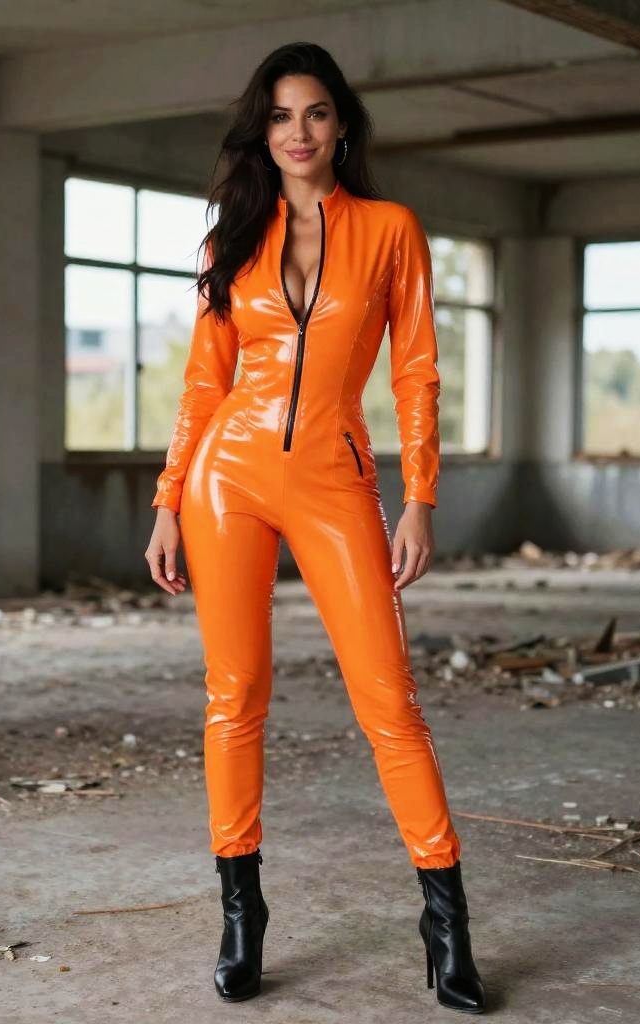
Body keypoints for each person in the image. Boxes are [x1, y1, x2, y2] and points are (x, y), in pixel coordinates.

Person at [144, 41, 485, 1015]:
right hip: (227, 480)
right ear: (264, 128)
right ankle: (241, 913)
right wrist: (170, 496)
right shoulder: (231, 238)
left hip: (335, 479)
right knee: (234, 695)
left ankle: (447, 920)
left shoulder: (388, 230)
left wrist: (419, 494)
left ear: (342, 127)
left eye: (317, 114)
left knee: (389, 700)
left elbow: (416, 367)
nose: (298, 132)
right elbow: (204, 382)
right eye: (282, 116)